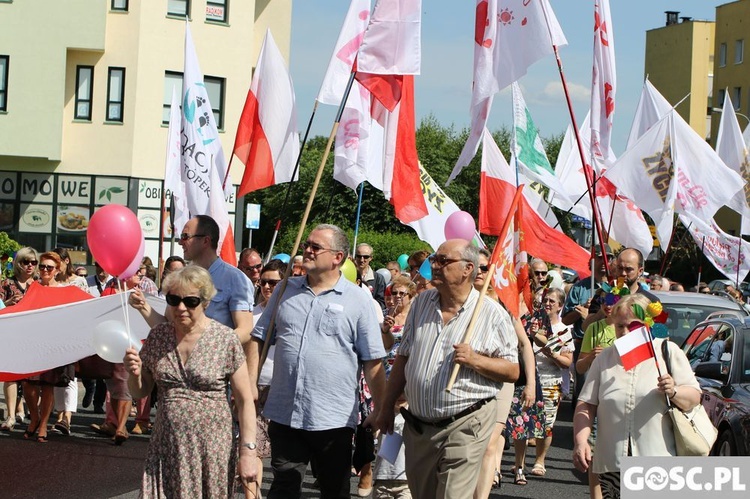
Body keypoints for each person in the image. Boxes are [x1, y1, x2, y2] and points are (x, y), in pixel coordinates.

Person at [248, 224, 387, 499]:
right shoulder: (284, 290)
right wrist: (250, 383)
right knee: (284, 487)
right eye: (306, 245)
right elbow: (259, 338)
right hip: (286, 411)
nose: (307, 251)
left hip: (332, 419)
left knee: (333, 491)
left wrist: (381, 407)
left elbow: (372, 361)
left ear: (338, 257)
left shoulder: (358, 300)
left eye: (315, 247)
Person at [377, 239, 519, 499]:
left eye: (443, 261)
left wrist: (476, 360)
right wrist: (386, 407)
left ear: (468, 269)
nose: (435, 266)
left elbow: (512, 371)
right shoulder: (420, 304)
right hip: (419, 426)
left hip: (465, 423)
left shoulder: (491, 314)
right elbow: (403, 357)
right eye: (434, 260)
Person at [124, 265, 258, 497]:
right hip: (167, 448)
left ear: (206, 302)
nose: (181, 308)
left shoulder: (224, 339)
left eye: (191, 301)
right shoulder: (159, 337)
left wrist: (248, 452)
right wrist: (133, 374)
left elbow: (245, 400)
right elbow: (140, 391)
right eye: (174, 299)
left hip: (212, 451)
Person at [573, 294, 701, 499]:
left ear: (648, 324)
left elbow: (694, 396)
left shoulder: (668, 352)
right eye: (619, 326)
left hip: (657, 462)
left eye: (632, 326)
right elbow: (586, 404)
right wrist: (581, 441)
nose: (624, 333)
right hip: (612, 463)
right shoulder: (605, 358)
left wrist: (674, 390)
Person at [130, 215, 254, 356]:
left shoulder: (235, 279)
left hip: (214, 370)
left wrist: (209, 349)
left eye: (185, 236)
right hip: (178, 368)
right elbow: (168, 326)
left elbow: (245, 330)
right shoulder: (181, 277)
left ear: (205, 240)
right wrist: (143, 307)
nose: (180, 242)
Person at [473, 248, 536, 497]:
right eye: (475, 266)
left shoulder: (505, 305)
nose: (480, 272)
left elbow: (525, 346)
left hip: (501, 381)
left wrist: (530, 384)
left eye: (485, 268)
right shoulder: (459, 301)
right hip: (471, 379)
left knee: (489, 444)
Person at [514, 288, 573, 480]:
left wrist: (553, 354)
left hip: (549, 382)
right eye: (545, 300)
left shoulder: (563, 330)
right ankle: (519, 465)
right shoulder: (530, 323)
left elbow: (567, 362)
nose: (547, 304)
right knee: (521, 422)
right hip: (526, 380)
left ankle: (540, 460)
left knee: (545, 425)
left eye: (552, 302)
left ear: (560, 306)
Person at [253, 259, 287, 495]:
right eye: (263, 282)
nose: (266, 287)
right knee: (252, 448)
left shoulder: (289, 313)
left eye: (273, 282)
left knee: (280, 454)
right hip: (255, 386)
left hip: (281, 389)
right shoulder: (251, 314)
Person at [21, 251, 64, 443]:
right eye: (43, 266)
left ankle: (44, 423)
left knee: (48, 385)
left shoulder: (64, 290)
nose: (45, 270)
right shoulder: (33, 287)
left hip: (53, 343)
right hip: (33, 341)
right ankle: (35, 417)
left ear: (57, 269)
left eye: (49, 267)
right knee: (28, 383)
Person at [0, 247, 37, 432]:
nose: (30, 266)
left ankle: (30, 413)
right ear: (18, 263)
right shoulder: (7, 283)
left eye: (33, 262)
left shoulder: (39, 284)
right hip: (12, 334)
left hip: (34, 336)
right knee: (11, 376)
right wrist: (6, 304)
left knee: (31, 378)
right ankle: (11, 416)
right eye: (25, 262)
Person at [355, 243, 386, 311]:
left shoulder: (378, 278)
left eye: (365, 257)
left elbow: (382, 302)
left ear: (371, 258)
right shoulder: (349, 276)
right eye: (359, 256)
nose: (362, 260)